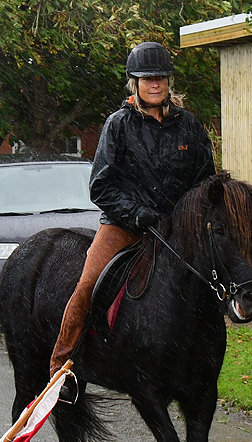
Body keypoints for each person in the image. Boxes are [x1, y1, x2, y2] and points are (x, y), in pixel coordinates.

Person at [49, 42, 216, 399]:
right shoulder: (118, 125)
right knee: (87, 285)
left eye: (160, 78)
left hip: (174, 228)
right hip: (123, 227)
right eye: (147, 79)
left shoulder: (189, 127)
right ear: (135, 83)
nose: (155, 84)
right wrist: (135, 212)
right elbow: (101, 185)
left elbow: (205, 181)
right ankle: (62, 370)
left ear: (169, 82)